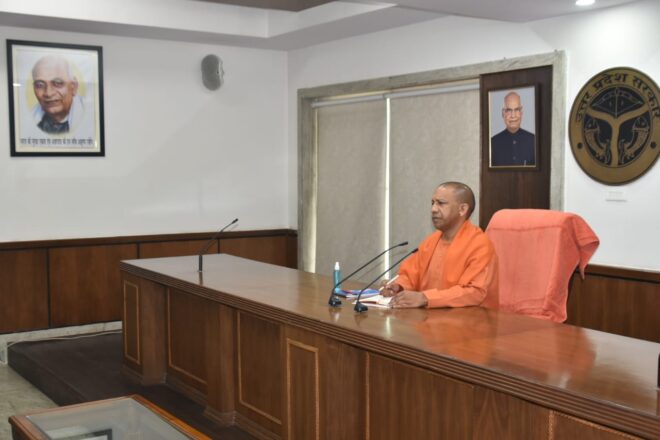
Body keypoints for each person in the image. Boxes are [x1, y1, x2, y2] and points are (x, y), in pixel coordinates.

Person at [382, 182, 499, 309]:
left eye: (441, 203)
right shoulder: (432, 241)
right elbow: (411, 275)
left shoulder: (479, 244)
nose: (433, 209)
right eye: (432, 203)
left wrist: (426, 298)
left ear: (462, 209)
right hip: (430, 315)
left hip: (470, 318)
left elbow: (474, 292)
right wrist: (399, 286)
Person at [31, 55, 84, 134]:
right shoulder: (29, 118)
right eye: (40, 85)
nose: (48, 93)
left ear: (74, 87)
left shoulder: (90, 115)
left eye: (57, 83)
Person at [490, 91, 535, 166]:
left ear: (521, 112)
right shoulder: (492, 144)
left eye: (516, 109)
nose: (513, 115)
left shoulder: (534, 141)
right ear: (503, 113)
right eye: (509, 110)